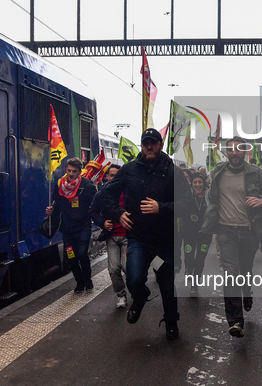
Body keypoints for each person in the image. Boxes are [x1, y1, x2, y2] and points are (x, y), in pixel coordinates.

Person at [100, 128, 190, 340]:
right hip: (138, 239)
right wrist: (118, 213)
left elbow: (188, 204)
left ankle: (171, 321)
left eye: (153, 143)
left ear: (160, 144)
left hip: (164, 242)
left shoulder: (172, 171)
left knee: (167, 284)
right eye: (146, 143)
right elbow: (107, 194)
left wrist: (162, 207)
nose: (149, 146)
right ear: (142, 146)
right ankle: (140, 298)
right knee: (134, 278)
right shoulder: (130, 169)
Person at [201, 136, 262, 338]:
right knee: (231, 273)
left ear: (245, 152)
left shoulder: (256, 174)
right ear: (226, 152)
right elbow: (211, 197)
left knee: (245, 271)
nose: (234, 152)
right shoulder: (218, 172)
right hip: (226, 231)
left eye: (238, 149)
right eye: (230, 149)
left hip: (249, 231)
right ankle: (235, 321)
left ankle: (247, 293)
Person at [45, 157, 97, 294]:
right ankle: (79, 282)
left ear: (80, 172)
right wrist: (52, 210)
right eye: (69, 171)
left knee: (81, 254)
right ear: (66, 170)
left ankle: (88, 280)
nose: (71, 174)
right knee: (71, 257)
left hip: (83, 228)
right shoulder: (60, 185)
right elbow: (56, 203)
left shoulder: (88, 186)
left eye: (74, 171)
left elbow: (95, 206)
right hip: (68, 229)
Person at [89, 164, 128, 309]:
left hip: (128, 235)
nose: (113, 178)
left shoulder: (129, 193)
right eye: (111, 175)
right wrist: (103, 223)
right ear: (106, 177)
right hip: (111, 236)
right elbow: (92, 211)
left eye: (116, 175)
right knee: (113, 269)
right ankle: (121, 295)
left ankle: (137, 291)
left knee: (128, 267)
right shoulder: (102, 194)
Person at [182, 172, 212, 296]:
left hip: (205, 234)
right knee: (189, 258)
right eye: (195, 182)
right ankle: (188, 268)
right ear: (192, 184)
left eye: (200, 182)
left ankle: (194, 284)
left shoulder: (210, 197)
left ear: (204, 183)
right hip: (189, 234)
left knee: (200, 260)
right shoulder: (187, 196)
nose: (198, 184)